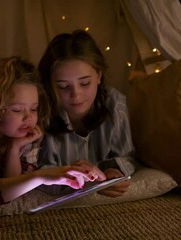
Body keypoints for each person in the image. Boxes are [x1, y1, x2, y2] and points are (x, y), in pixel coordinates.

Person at [0, 56, 93, 212]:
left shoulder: (28, 139)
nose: (28, 117)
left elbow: (15, 189)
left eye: (34, 109)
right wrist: (39, 176)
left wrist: (14, 148)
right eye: (17, 110)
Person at [38, 30, 136, 198]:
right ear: (50, 84)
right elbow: (38, 173)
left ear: (99, 75)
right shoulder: (41, 112)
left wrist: (113, 171)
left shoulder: (114, 103)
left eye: (84, 83)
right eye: (63, 86)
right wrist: (81, 179)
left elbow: (126, 157)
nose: (76, 94)